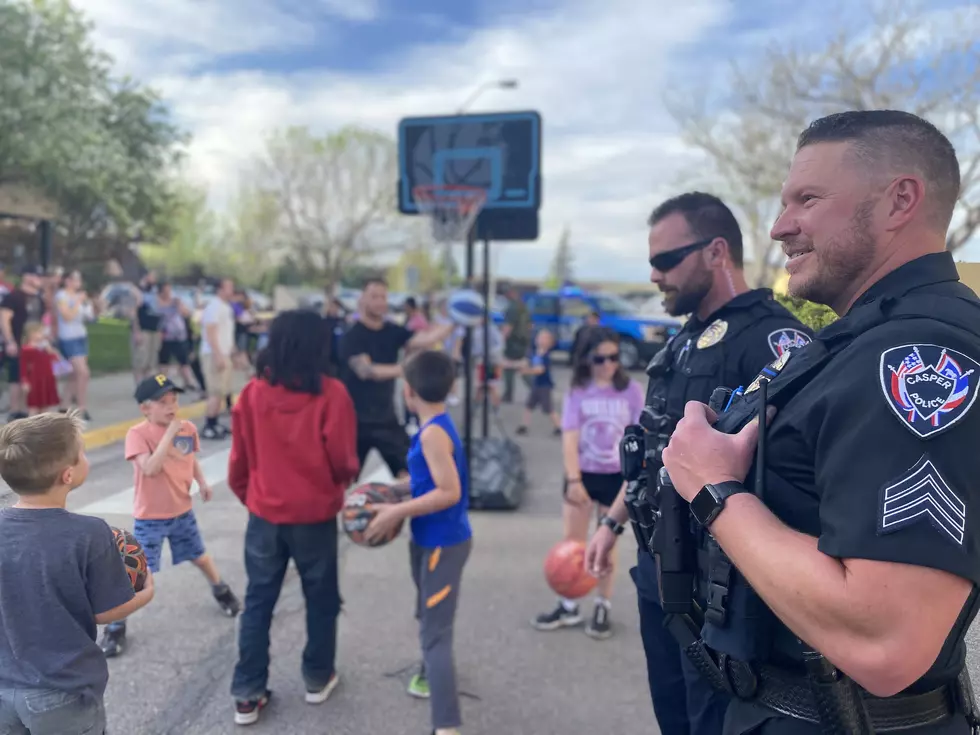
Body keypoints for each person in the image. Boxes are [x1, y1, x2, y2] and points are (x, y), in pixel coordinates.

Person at [660, 111, 980, 734]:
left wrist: (715, 490)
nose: (781, 228)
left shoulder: (918, 358)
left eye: (808, 199)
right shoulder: (862, 340)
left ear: (900, 200)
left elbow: (890, 642)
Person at [584, 191, 814, 735]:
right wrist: (611, 523)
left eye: (665, 261)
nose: (655, 276)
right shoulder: (681, 343)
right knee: (673, 716)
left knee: (713, 722)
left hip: (719, 597)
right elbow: (658, 450)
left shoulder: (772, 340)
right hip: (656, 573)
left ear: (716, 252)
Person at [228, 310, 360, 726]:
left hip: (265, 513)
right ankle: (317, 676)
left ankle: (247, 692)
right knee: (320, 599)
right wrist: (342, 482)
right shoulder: (333, 394)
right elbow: (343, 461)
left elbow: (240, 460)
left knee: (258, 602)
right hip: (315, 515)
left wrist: (252, 496)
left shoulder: (251, 393)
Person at [0, 412, 155, 735]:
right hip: (61, 692)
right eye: (82, 452)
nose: (86, 457)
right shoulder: (90, 534)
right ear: (68, 475)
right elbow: (106, 613)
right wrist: (145, 593)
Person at [364, 349, 472, 735]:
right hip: (429, 539)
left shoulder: (431, 434)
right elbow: (430, 481)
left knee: (435, 635)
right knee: (428, 618)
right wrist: (395, 489)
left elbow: (448, 491)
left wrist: (395, 512)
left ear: (406, 391)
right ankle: (430, 675)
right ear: (451, 386)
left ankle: (446, 726)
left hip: (442, 542)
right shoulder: (435, 426)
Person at [99, 374, 241, 658]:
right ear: (145, 408)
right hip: (150, 516)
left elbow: (189, 459)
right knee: (139, 571)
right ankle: (115, 626)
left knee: (199, 555)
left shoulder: (186, 429)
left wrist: (201, 481)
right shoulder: (137, 435)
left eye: (174, 399)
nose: (171, 406)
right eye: (163, 402)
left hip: (181, 512)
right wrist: (168, 434)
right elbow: (150, 468)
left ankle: (221, 590)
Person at [532, 327, 644, 639]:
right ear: (586, 359)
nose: (609, 364)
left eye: (614, 357)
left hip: (616, 477)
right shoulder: (578, 390)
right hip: (583, 473)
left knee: (605, 545)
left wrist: (631, 481)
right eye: (600, 358)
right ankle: (568, 604)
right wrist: (573, 479)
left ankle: (602, 605)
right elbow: (569, 438)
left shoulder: (631, 391)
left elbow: (638, 438)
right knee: (574, 546)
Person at [339, 278, 455, 480]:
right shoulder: (352, 336)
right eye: (374, 296)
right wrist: (406, 369)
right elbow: (367, 371)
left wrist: (456, 320)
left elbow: (425, 339)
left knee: (410, 472)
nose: (379, 302)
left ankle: (407, 511)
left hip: (386, 419)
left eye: (383, 297)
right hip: (354, 421)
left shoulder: (392, 331)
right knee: (345, 480)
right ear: (362, 300)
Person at [0, 265, 47, 420]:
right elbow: (4, 319)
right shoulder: (13, 297)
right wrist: (10, 341)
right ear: (26, 277)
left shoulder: (39, 298)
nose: (38, 279)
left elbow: (42, 321)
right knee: (16, 378)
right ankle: (15, 411)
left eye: (39, 276)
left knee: (30, 378)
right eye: (35, 276)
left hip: (35, 345)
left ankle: (26, 410)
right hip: (18, 341)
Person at [200, 278, 237, 440]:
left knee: (221, 390)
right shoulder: (214, 307)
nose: (232, 290)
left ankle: (215, 423)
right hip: (214, 354)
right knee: (215, 391)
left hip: (224, 353)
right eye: (229, 287)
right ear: (220, 289)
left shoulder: (225, 307)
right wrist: (218, 355)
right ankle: (209, 425)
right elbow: (211, 331)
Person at [54, 270, 94, 420]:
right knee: (84, 373)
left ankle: (64, 406)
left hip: (81, 336)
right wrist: (77, 301)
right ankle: (82, 408)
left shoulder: (80, 297)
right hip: (68, 337)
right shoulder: (61, 296)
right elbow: (67, 316)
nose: (78, 282)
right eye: (75, 279)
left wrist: (90, 305)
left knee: (74, 374)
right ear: (68, 281)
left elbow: (89, 316)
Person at [514, 329, 562, 436]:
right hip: (537, 384)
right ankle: (524, 425)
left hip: (544, 385)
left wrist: (526, 371)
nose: (539, 340)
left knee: (548, 409)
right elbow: (527, 362)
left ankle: (559, 426)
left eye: (543, 338)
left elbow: (540, 370)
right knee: (528, 405)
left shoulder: (545, 356)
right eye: (539, 337)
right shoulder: (535, 353)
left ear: (549, 343)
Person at [20, 322, 62, 415]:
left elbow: (56, 360)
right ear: (32, 334)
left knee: (46, 406)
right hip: (35, 380)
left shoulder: (44, 347)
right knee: (33, 406)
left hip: (47, 378)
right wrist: (25, 381)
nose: (43, 335)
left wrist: (51, 350)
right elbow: (23, 366)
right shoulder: (27, 349)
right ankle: (31, 427)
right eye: (40, 332)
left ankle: (44, 426)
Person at [500, 284, 532, 404]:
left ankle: (508, 394)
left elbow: (508, 327)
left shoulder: (512, 307)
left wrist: (501, 340)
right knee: (521, 366)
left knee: (509, 367)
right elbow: (530, 325)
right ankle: (534, 389)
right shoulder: (523, 307)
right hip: (522, 341)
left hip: (513, 342)